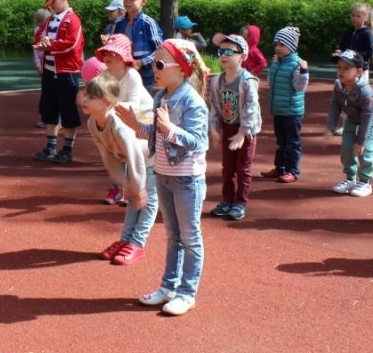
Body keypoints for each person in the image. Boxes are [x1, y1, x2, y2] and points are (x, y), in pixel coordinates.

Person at [118, 39, 209, 316]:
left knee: (190, 237)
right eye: (153, 64)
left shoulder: (192, 101)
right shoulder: (160, 97)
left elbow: (198, 141)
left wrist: (170, 129)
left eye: (159, 64)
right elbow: (156, 134)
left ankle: (187, 292)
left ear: (182, 69)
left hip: (187, 180)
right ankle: (168, 286)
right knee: (172, 236)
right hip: (164, 175)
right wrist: (137, 126)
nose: (153, 69)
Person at [83, 73, 157, 265]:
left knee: (146, 200)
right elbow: (107, 156)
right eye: (85, 95)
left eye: (91, 97)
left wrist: (138, 187)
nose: (84, 99)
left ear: (107, 102)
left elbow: (136, 157)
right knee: (133, 198)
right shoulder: (93, 123)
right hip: (133, 160)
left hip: (152, 157)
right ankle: (126, 240)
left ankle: (137, 243)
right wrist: (124, 183)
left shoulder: (119, 125)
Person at [96, 34, 154, 205]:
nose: (107, 57)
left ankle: (136, 189)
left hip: (143, 119)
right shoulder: (105, 75)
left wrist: (111, 107)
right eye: (106, 53)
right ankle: (119, 187)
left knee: (134, 154)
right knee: (115, 150)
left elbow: (135, 105)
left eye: (113, 54)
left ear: (124, 58)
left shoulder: (132, 76)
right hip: (120, 118)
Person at [207, 34, 261, 221]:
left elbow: (251, 108)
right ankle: (227, 200)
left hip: (245, 131)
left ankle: (240, 203)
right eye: (221, 51)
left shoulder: (247, 81)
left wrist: (242, 133)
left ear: (242, 56)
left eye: (230, 51)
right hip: (228, 127)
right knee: (227, 168)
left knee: (243, 168)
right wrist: (213, 128)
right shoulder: (217, 80)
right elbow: (214, 106)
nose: (224, 55)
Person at [33, 0, 85, 164]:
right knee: (49, 109)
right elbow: (39, 35)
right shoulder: (49, 20)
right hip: (49, 72)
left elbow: (71, 45)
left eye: (53, 1)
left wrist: (49, 46)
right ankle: (50, 146)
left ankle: (68, 148)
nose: (51, 6)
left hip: (66, 72)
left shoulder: (73, 20)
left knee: (68, 109)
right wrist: (42, 42)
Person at [326, 50, 373, 198]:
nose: (341, 71)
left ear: (358, 72)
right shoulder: (339, 85)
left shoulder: (365, 92)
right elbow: (335, 106)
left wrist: (361, 142)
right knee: (347, 149)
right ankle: (350, 179)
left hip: (372, 120)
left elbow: (368, 116)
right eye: (339, 67)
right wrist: (330, 126)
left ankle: (365, 181)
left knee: (365, 151)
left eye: (346, 68)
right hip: (352, 119)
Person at [261, 27, 309, 183]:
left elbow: (299, 87)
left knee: (292, 142)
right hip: (279, 109)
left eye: (282, 45)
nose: (278, 48)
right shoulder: (277, 62)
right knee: (281, 142)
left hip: (292, 111)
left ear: (291, 46)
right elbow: (270, 82)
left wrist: (304, 71)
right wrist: (272, 66)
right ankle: (280, 168)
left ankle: (292, 171)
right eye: (276, 44)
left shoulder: (296, 64)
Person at [111, 0, 163, 92]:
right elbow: (114, 45)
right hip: (123, 71)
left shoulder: (149, 23)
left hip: (146, 75)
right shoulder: (119, 22)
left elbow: (160, 50)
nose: (128, 1)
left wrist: (141, 62)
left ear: (143, 1)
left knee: (145, 103)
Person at [333, 2, 373, 83]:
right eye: (353, 15)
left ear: (366, 18)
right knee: (345, 89)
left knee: (361, 89)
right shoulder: (348, 32)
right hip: (347, 67)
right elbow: (342, 47)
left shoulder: (367, 33)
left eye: (358, 16)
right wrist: (340, 53)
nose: (354, 18)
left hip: (361, 68)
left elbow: (369, 51)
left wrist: (354, 57)